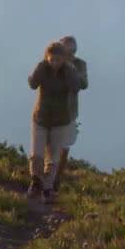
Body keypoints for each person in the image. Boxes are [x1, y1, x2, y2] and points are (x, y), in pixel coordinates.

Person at [27, 41, 81, 203]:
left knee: (53, 158)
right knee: (37, 154)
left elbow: (76, 87)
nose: (55, 63)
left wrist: (70, 70)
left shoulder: (68, 71)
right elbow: (32, 84)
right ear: (47, 58)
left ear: (64, 59)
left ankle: (48, 188)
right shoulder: (43, 68)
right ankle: (36, 182)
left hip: (60, 121)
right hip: (41, 118)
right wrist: (40, 67)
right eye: (52, 60)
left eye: (58, 60)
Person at [54, 35, 88, 191]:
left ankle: (56, 179)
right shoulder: (53, 62)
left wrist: (71, 70)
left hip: (69, 112)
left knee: (64, 147)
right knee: (50, 145)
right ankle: (46, 178)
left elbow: (83, 84)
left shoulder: (80, 64)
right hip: (51, 110)